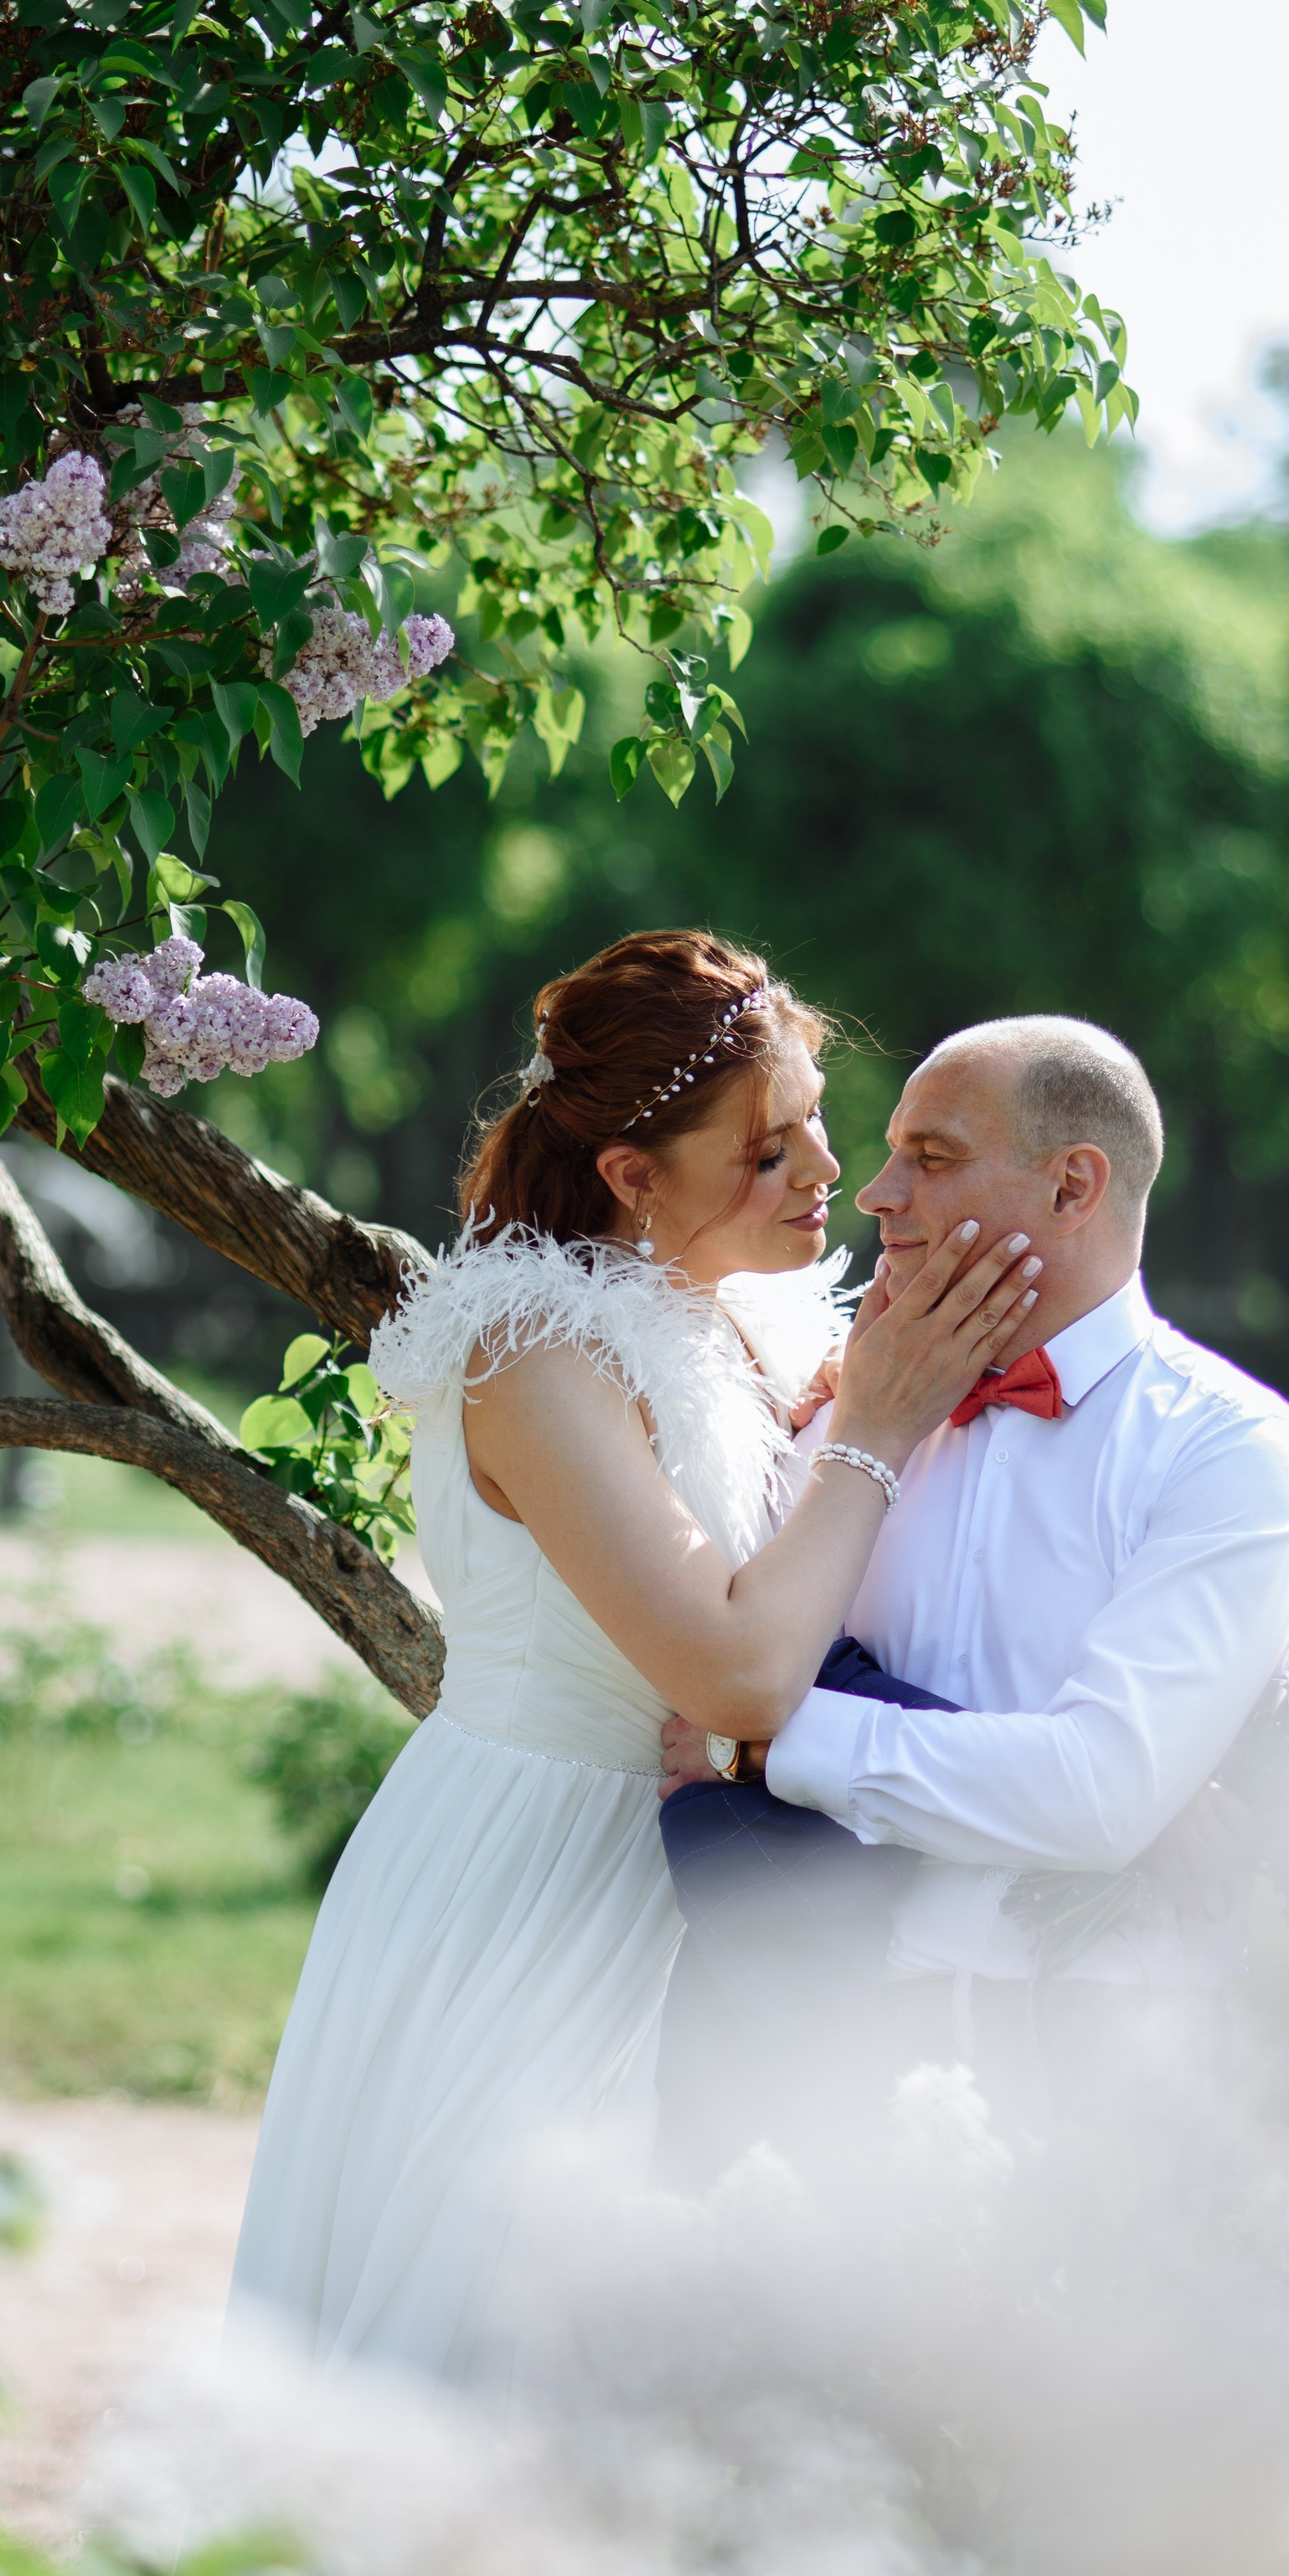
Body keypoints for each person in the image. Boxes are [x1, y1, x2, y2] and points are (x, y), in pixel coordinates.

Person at [223, 931, 1039, 2387]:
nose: (824, 1175)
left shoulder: (744, 1321)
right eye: (768, 1149)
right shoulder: (536, 1353)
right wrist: (883, 1422)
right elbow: (734, 1674)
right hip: (534, 1876)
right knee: (506, 2335)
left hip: (712, 1869)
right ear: (629, 1177)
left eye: (815, 1121)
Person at [656, 1014, 1289, 2148]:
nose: (876, 1193)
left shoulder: (1228, 1449)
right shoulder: (830, 1429)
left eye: (933, 1157)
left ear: (1073, 1189)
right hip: (791, 2041)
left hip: (1082, 2059)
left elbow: (1100, 1792)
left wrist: (768, 1745)